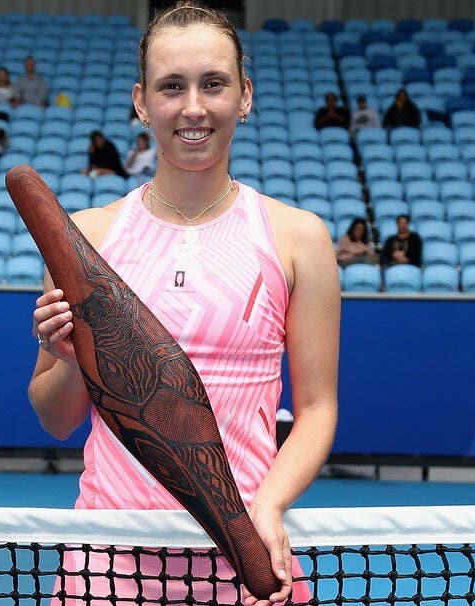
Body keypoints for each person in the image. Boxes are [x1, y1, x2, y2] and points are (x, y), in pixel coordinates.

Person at [29, 3, 339, 605]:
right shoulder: (86, 237)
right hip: (109, 563)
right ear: (142, 102)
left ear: (244, 96)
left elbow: (317, 409)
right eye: (171, 86)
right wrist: (66, 359)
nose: (193, 107)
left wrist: (269, 507)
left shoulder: (299, 238)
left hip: (246, 554)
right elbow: (57, 419)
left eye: (213, 84)